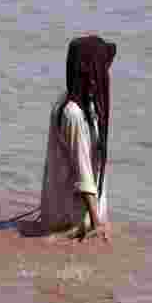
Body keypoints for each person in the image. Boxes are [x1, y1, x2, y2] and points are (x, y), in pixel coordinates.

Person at [37, 35, 117, 241]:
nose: (107, 73)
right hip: (72, 221)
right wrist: (97, 224)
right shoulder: (72, 113)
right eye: (103, 67)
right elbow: (84, 173)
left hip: (76, 214)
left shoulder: (80, 103)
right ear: (91, 73)